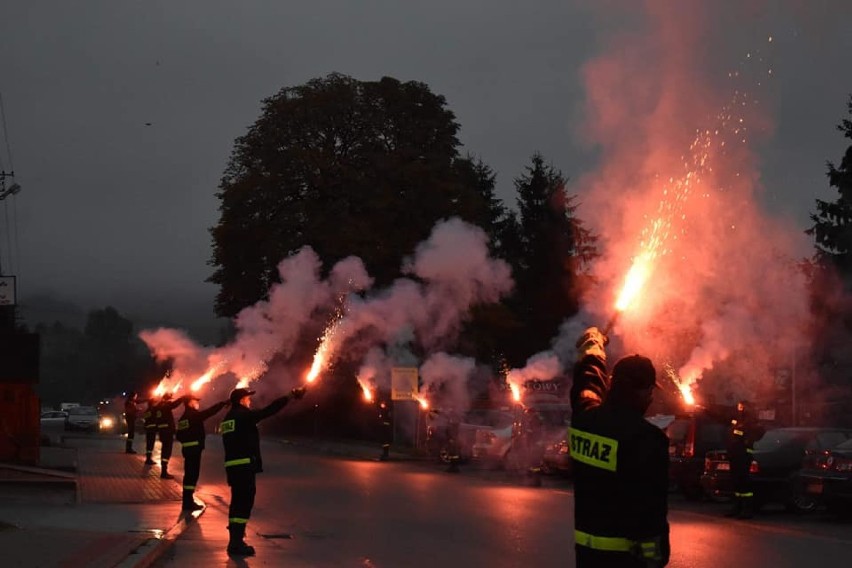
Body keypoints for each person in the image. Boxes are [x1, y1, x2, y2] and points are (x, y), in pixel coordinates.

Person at [570, 327, 670, 567]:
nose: (651, 397)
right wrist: (655, 559)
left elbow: (588, 383)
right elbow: (650, 514)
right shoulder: (647, 439)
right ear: (641, 391)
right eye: (649, 390)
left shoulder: (584, 419)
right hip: (625, 560)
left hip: (586, 557)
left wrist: (593, 350)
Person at [220, 385, 308, 556]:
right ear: (241, 400)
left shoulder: (228, 418)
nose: (249, 400)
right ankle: (236, 544)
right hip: (244, 466)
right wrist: (289, 396)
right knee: (244, 504)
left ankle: (235, 539)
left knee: (237, 504)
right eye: (247, 398)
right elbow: (268, 411)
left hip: (233, 467)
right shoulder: (243, 415)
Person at [175, 395, 229, 511]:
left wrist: (187, 441)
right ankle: (188, 503)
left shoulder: (183, 418)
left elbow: (179, 435)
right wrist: (222, 404)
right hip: (194, 449)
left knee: (189, 476)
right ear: (189, 403)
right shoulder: (193, 415)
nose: (197, 403)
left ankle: (187, 501)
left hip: (188, 449)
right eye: (195, 401)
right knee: (192, 476)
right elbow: (209, 412)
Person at [725, 400, 763, 519]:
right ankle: (736, 507)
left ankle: (747, 509)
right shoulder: (738, 420)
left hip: (744, 456)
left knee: (745, 483)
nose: (739, 408)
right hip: (735, 455)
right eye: (739, 406)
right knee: (735, 482)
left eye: (741, 406)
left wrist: (741, 434)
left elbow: (755, 434)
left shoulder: (751, 421)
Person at [154, 392, 187, 480]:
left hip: (163, 432)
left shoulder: (158, 406)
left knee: (165, 451)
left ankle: (164, 471)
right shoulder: (165, 405)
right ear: (167, 399)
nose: (170, 401)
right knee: (167, 452)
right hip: (167, 432)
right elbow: (174, 405)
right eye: (169, 399)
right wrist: (182, 398)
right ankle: (164, 472)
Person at [143, 397, 159, 465]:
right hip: (152, 429)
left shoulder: (147, 411)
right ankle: (148, 459)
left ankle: (148, 458)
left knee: (149, 444)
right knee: (151, 444)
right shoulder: (153, 410)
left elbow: (145, 419)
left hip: (148, 429)